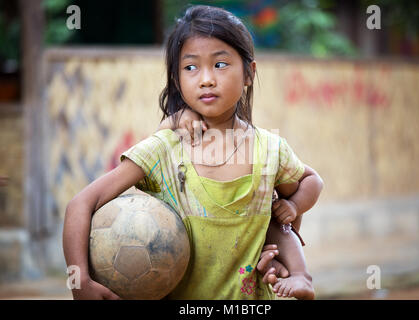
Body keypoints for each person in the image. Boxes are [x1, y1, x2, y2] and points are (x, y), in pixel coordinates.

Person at [63, 5, 323, 300]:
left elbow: (292, 208)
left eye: (220, 64)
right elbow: (80, 204)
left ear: (249, 73)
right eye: (191, 67)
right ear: (176, 79)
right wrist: (79, 281)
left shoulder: (270, 150)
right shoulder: (164, 149)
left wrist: (280, 239)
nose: (206, 79)